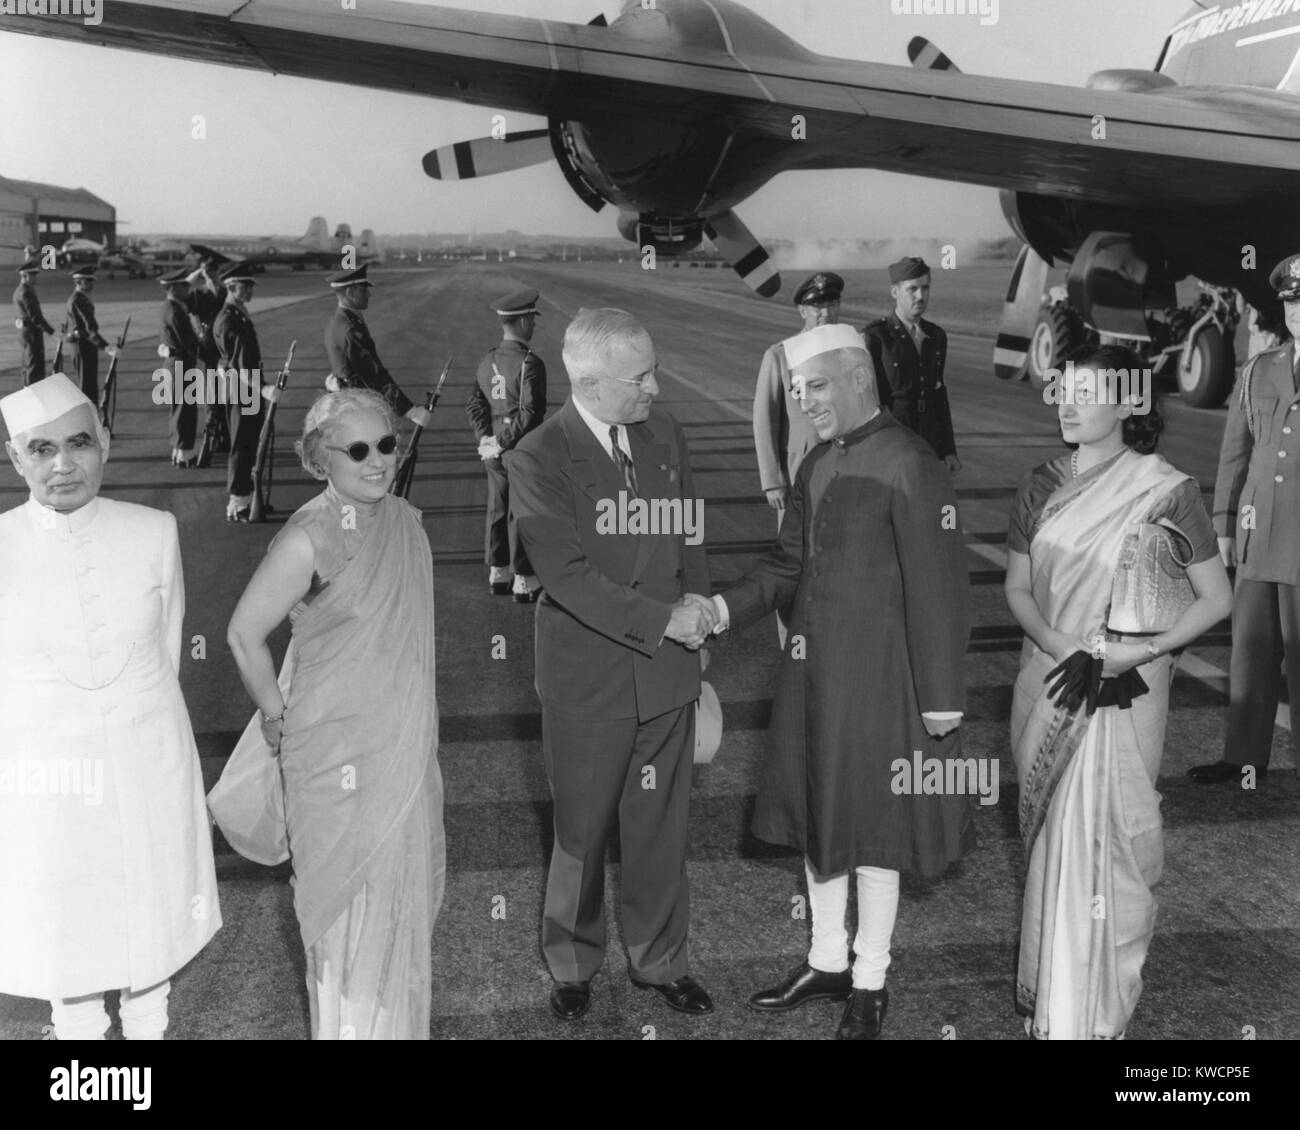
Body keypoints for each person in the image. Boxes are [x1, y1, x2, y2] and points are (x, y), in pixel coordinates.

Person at [710, 322, 974, 1041]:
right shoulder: (817, 463)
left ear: (860, 377)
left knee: (874, 830)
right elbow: (786, 567)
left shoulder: (912, 462)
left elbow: (942, 589)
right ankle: (826, 960)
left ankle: (870, 978)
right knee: (818, 815)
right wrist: (718, 608)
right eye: (797, 393)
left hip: (885, 681)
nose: (806, 404)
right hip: (814, 675)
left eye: (817, 387)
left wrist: (942, 699)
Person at [1004, 343, 1231, 1039]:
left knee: (1119, 847)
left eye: (1085, 390)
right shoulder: (1040, 486)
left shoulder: (1167, 490)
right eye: (1061, 389)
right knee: (1054, 845)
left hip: (1129, 695)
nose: (1066, 402)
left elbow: (1215, 599)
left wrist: (1141, 650)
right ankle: (1057, 1005)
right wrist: (1062, 643)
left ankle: (1096, 1017)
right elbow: (1015, 587)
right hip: (1051, 684)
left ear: (1130, 403)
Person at [504, 307, 716, 1021]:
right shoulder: (536, 457)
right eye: (641, 377)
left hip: (667, 674)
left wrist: (701, 610)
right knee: (581, 832)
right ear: (590, 385)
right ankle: (572, 963)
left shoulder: (664, 434)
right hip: (588, 682)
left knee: (661, 829)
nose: (655, 386)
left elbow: (690, 534)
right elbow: (565, 576)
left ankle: (661, 961)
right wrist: (666, 621)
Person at [0, 374, 221, 1039]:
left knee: (148, 920)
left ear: (106, 445)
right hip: (46, 779)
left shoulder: (155, 530)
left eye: (78, 443)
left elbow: (166, 647)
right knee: (67, 933)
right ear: (16, 459)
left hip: (145, 759)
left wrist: (137, 730)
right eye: (40, 450)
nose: (62, 464)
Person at [220, 388, 445, 1039]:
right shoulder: (307, 537)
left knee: (395, 907)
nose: (379, 462)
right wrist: (274, 714)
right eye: (358, 450)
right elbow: (242, 634)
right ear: (322, 459)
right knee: (342, 911)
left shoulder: (406, 521)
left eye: (387, 445)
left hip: (399, 748)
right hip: (330, 753)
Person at [1190, 254, 1300, 786]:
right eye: (1292, 303)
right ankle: (1243, 758)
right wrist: (1226, 524)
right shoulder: (1261, 368)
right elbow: (1234, 454)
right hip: (1259, 536)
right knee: (1251, 650)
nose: (1297, 313)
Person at [466, 287, 547, 600]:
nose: (534, 326)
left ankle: (497, 572)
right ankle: (523, 578)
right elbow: (531, 412)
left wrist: (485, 437)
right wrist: (502, 442)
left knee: (497, 507)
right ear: (524, 322)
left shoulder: (487, 360)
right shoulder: (531, 363)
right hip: (520, 448)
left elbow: (474, 403)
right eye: (532, 320)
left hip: (494, 447)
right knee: (521, 511)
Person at [753, 272, 845, 529]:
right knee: (797, 548)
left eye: (831, 305)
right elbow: (764, 421)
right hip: (799, 470)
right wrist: (773, 481)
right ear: (802, 310)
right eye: (817, 306)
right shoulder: (780, 356)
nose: (825, 314)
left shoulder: (853, 354)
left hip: (847, 468)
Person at [863, 256, 961, 474]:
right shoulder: (876, 337)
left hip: (930, 441)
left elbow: (939, 397)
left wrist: (948, 449)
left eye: (926, 288)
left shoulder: (936, 336)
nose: (920, 296)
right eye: (912, 289)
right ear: (894, 292)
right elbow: (869, 402)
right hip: (892, 442)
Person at [212, 261, 267, 522]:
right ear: (231, 288)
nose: (250, 290)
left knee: (250, 442)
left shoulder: (237, 315)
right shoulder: (229, 320)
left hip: (246, 389)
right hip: (243, 391)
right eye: (246, 286)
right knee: (241, 445)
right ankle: (238, 501)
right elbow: (241, 366)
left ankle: (248, 497)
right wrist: (265, 389)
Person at [323, 265, 416, 417]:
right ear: (350, 292)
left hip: (344, 402)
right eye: (363, 290)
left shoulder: (337, 320)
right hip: (356, 407)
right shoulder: (351, 328)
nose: (369, 294)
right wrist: (409, 410)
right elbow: (373, 374)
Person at [188, 259, 231, 465]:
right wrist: (197, 274)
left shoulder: (225, 292)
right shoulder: (198, 293)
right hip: (207, 350)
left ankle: (224, 438)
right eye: (207, 271)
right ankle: (210, 440)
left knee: (226, 395)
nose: (211, 274)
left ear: (219, 272)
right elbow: (182, 298)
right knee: (211, 397)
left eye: (214, 270)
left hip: (225, 349)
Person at [158, 267, 200, 467]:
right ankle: (184, 453)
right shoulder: (176, 312)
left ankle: (178, 449)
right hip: (181, 364)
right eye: (184, 285)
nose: (187, 289)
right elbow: (190, 342)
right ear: (174, 288)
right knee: (185, 409)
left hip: (173, 363)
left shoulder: (169, 307)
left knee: (178, 408)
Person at [64, 266, 116, 405]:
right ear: (78, 282)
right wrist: (106, 347)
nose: (91, 284)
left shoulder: (82, 298)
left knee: (91, 384)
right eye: (87, 281)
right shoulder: (77, 300)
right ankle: (88, 419)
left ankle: (92, 417)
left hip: (87, 344)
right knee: (85, 386)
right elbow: (88, 328)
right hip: (82, 345)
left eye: (91, 281)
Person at [13, 258, 55, 386]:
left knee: (30, 366)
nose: (35, 278)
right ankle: (32, 397)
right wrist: (52, 333)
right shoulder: (25, 292)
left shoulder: (23, 290)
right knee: (33, 369)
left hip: (27, 333)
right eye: (32, 275)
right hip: (31, 334)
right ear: (25, 276)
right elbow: (35, 317)